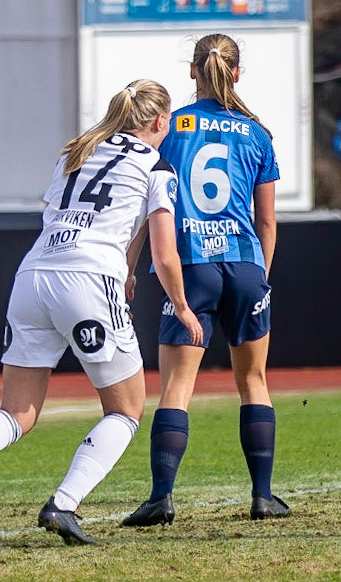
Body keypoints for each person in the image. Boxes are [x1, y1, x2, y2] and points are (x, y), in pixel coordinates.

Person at [0, 80, 202, 548]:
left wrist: (124, 268)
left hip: (33, 275)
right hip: (88, 282)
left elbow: (80, 216)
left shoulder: (77, 151)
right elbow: (165, 256)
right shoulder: (156, 165)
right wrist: (184, 309)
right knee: (126, 409)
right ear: (159, 121)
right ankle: (63, 504)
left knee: (17, 412)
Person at [120, 35, 287, 528]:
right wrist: (261, 277)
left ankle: (161, 498)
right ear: (237, 73)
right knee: (254, 381)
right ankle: (262, 496)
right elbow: (268, 222)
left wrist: (129, 266)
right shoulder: (257, 134)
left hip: (190, 267)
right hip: (244, 266)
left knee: (176, 385)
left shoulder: (169, 130)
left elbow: (147, 209)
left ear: (193, 72)